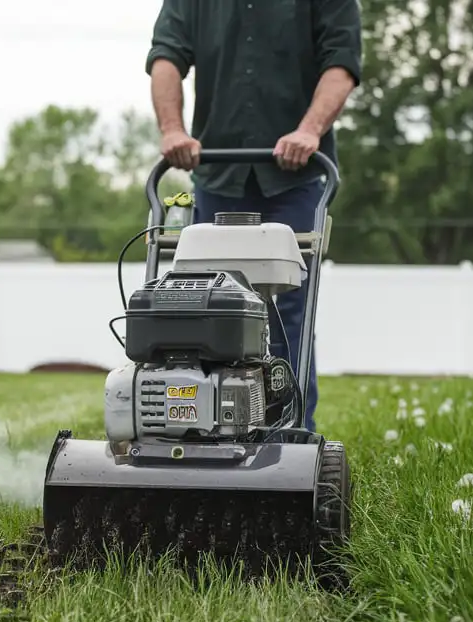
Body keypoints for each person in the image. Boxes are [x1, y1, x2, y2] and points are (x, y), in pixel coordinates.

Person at [144, 0, 362, 433]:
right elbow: (165, 57)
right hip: (219, 176)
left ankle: (291, 433)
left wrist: (309, 131)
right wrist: (172, 129)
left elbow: (341, 64)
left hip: (293, 179)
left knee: (289, 318)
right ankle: (201, 427)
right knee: (203, 305)